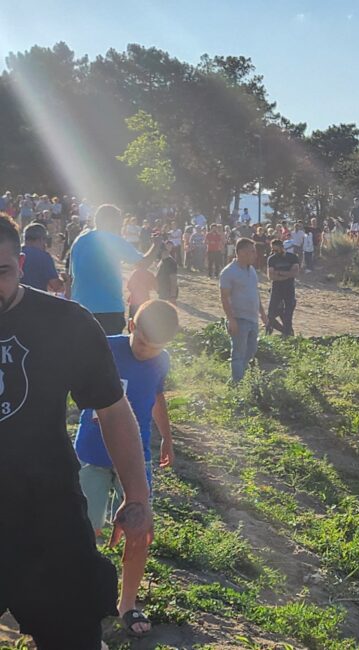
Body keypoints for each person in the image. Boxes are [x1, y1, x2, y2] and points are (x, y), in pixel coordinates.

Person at [0, 214, 153, 649]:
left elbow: (112, 408)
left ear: (23, 265)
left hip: (47, 509)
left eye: (2, 272)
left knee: (72, 635)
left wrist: (137, 497)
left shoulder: (66, 324)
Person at [74, 300, 179, 638]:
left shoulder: (161, 361)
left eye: (157, 347)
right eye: (144, 342)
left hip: (136, 461)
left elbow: (156, 398)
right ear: (131, 326)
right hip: (92, 454)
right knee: (84, 528)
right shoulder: (105, 348)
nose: (148, 352)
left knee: (139, 530)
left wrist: (167, 437)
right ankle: (81, 597)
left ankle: (127, 603)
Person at [70, 204, 158, 334]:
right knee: (109, 350)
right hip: (107, 308)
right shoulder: (111, 239)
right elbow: (142, 263)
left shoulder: (80, 240)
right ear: (110, 221)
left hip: (80, 306)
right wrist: (156, 245)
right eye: (119, 221)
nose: (120, 226)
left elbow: (72, 274)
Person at [220, 238, 268, 383]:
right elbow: (225, 298)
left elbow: (255, 293)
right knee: (238, 354)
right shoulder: (228, 272)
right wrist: (231, 319)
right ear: (241, 252)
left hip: (252, 318)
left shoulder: (252, 270)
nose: (255, 254)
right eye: (251, 251)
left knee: (251, 351)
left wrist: (263, 314)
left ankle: (237, 379)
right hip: (239, 319)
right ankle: (237, 384)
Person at [266, 239, 300, 337]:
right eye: (273, 250)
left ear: (282, 248)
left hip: (289, 288)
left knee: (288, 314)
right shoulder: (271, 259)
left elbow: (295, 273)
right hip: (276, 288)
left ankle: (288, 333)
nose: (274, 253)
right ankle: (283, 331)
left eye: (276, 250)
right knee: (271, 315)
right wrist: (286, 275)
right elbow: (271, 276)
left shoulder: (292, 257)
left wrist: (279, 273)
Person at [20, 223, 63, 293]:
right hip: (36, 299)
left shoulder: (14, 252)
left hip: (13, 299)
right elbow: (56, 286)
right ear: (41, 239)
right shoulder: (44, 257)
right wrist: (66, 281)